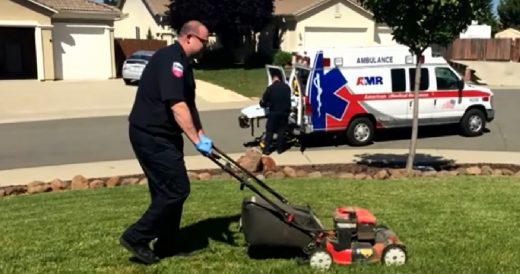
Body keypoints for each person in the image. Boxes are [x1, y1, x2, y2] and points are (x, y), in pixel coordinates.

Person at [119, 20, 213, 265]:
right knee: (177, 189)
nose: (206, 45)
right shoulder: (170, 60)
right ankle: (136, 236)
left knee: (165, 191)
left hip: (165, 136)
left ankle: (167, 244)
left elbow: (189, 105)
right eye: (204, 40)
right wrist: (194, 140)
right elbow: (177, 105)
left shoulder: (183, 63)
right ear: (190, 37)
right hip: (151, 135)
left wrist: (202, 135)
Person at [259, 71, 292, 155]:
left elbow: (264, 100)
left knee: (270, 131)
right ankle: (279, 149)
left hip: (274, 113)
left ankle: (266, 149)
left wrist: (265, 104)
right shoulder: (287, 87)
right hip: (284, 113)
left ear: (273, 80)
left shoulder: (270, 88)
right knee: (281, 131)